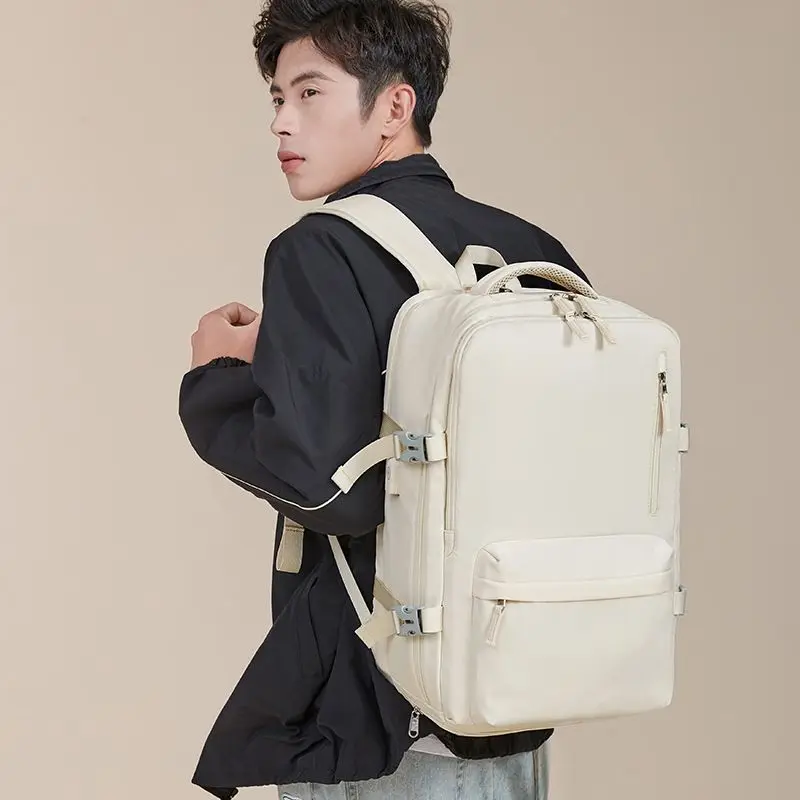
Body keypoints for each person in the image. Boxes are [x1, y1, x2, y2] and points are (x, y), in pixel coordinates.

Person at [179, 1, 590, 798]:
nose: (281, 122)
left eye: (310, 92)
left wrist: (218, 378)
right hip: (515, 686)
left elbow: (333, 490)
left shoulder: (320, 247)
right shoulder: (533, 250)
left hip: (381, 705)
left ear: (396, 105)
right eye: (277, 98)